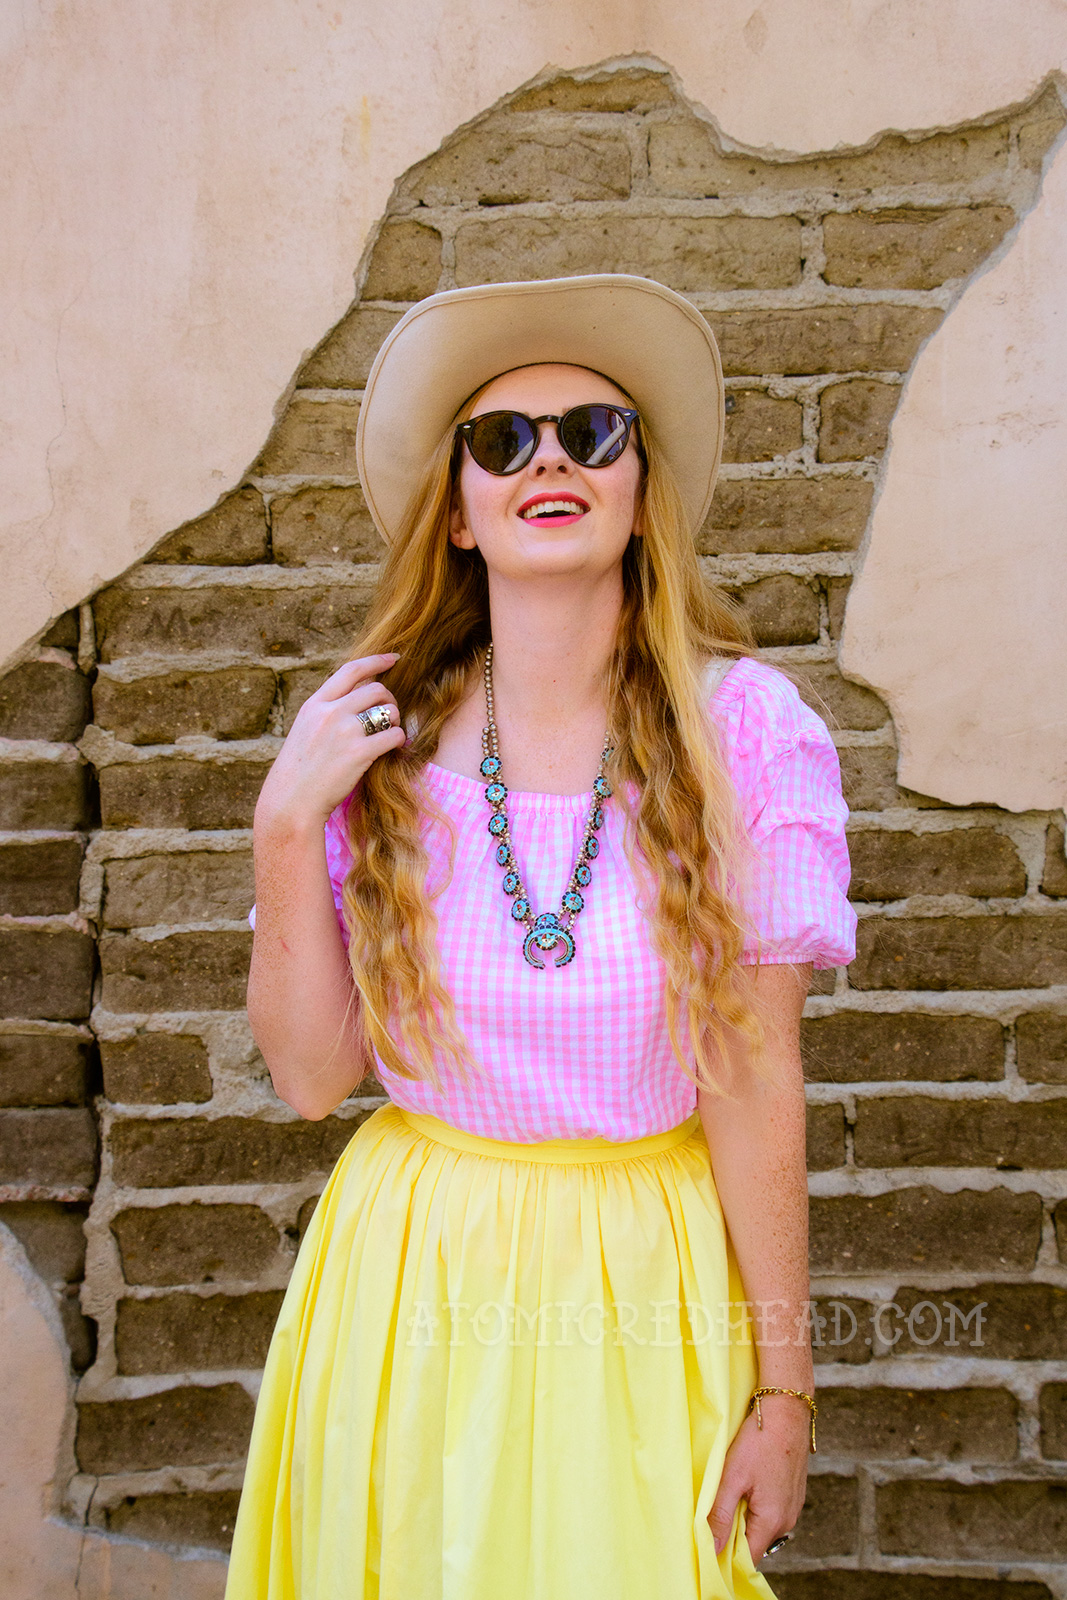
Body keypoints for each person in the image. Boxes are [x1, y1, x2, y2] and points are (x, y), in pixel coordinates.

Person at [225, 274, 856, 1600]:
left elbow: (754, 1080)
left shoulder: (747, 734)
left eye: (593, 433)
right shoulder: (382, 747)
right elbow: (312, 1077)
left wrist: (786, 1390)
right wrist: (288, 825)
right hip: (412, 1283)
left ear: (639, 487)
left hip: (640, 1286)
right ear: (458, 513)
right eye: (504, 440)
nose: (550, 461)